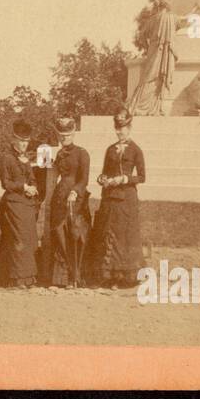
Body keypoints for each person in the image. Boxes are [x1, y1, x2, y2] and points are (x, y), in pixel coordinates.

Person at [89, 111, 146, 288]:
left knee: (124, 236)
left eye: (123, 128)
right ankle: (110, 275)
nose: (119, 132)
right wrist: (102, 179)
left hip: (127, 199)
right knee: (109, 234)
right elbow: (105, 171)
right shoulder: (110, 149)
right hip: (110, 198)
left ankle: (126, 277)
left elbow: (142, 177)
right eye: (117, 128)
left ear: (129, 128)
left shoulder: (136, 150)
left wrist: (125, 179)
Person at [0, 119, 40, 288]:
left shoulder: (25, 159)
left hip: (27, 204)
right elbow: (6, 184)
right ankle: (17, 279)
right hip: (12, 204)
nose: (24, 144)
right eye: (21, 141)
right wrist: (23, 186)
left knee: (30, 239)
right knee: (19, 240)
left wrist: (33, 187)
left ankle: (28, 277)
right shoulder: (7, 158)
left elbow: (33, 179)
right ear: (14, 140)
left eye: (26, 141)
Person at [41, 117, 91, 288]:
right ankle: (60, 278)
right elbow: (53, 172)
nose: (64, 139)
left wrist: (75, 192)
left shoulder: (82, 153)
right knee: (58, 232)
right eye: (61, 136)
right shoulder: (60, 153)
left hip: (75, 197)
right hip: (59, 196)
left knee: (73, 234)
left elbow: (84, 179)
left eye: (68, 135)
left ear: (74, 133)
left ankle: (75, 276)